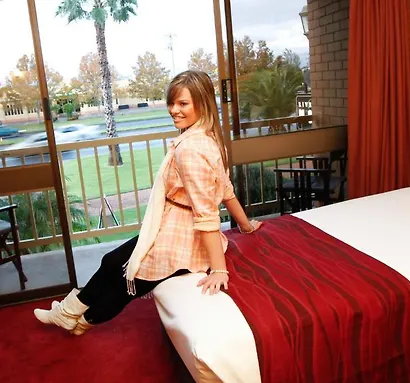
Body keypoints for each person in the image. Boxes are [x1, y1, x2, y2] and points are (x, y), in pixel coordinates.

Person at [34, 70, 262, 336]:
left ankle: (79, 322)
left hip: (182, 237)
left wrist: (220, 270)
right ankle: (66, 314)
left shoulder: (191, 149)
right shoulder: (208, 139)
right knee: (112, 262)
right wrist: (245, 226)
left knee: (124, 284)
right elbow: (226, 190)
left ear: (203, 104)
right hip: (175, 226)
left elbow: (207, 213)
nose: (174, 110)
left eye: (183, 103)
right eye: (172, 103)